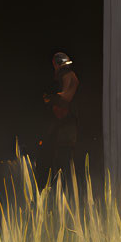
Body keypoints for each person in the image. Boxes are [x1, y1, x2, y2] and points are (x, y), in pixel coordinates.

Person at [42, 52, 81, 181]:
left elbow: (66, 98)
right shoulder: (69, 76)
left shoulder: (68, 76)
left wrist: (52, 99)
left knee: (62, 162)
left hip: (66, 126)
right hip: (64, 126)